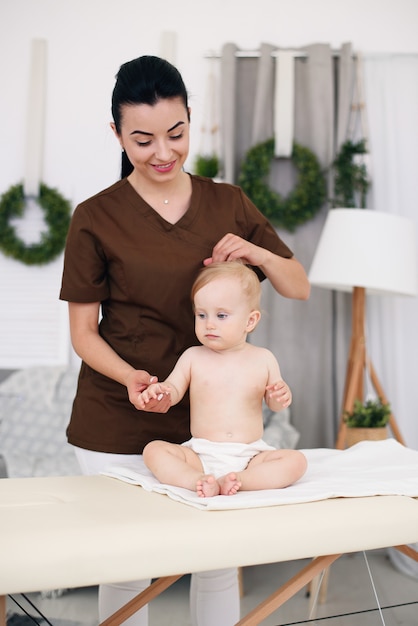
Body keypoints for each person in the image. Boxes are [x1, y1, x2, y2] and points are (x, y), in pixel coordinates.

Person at [60, 54, 310, 626]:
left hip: (217, 427)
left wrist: (255, 251)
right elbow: (82, 332)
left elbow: (296, 286)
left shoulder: (228, 203)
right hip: (119, 419)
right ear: (117, 133)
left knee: (217, 561)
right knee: (126, 563)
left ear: (191, 120)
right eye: (142, 139)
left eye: (176, 133)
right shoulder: (95, 217)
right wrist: (132, 380)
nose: (163, 152)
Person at [139, 262, 307, 497]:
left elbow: (275, 405)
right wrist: (160, 390)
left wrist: (280, 395)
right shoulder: (193, 357)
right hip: (200, 453)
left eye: (221, 315)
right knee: (153, 450)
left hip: (251, 455)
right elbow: (173, 389)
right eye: (201, 314)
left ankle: (242, 480)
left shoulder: (263, 359)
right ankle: (195, 479)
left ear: (250, 321)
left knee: (296, 461)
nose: (209, 323)